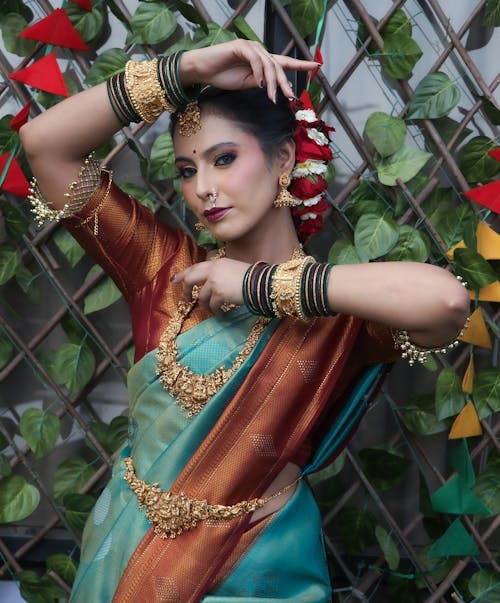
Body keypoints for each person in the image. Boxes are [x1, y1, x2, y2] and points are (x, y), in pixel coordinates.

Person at [20, 39, 469, 603]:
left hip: (258, 572)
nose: (204, 187)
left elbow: (448, 303)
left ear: (283, 159)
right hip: (126, 567)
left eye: (224, 158)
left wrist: (261, 286)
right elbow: (44, 147)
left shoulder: (339, 318)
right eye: (188, 169)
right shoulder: (165, 270)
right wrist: (182, 69)